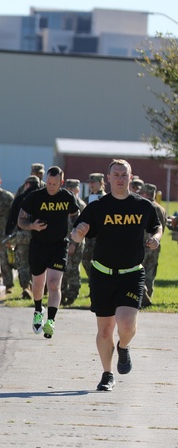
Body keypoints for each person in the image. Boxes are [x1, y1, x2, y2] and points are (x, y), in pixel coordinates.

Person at [70, 159, 161, 391]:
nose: (120, 178)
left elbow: (156, 226)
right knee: (104, 330)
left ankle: (123, 346)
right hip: (102, 274)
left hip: (131, 273)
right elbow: (77, 233)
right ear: (108, 179)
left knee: (127, 325)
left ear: (131, 178)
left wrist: (155, 239)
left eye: (124, 174)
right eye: (116, 175)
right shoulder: (98, 206)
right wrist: (78, 235)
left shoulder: (143, 206)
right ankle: (107, 374)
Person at [18, 166, 79, 339]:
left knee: (53, 284)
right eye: (49, 183)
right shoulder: (35, 197)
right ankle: (38, 310)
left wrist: (77, 230)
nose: (51, 187)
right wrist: (32, 226)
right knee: (38, 285)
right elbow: (21, 220)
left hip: (59, 246)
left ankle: (50, 321)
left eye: (55, 183)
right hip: (38, 246)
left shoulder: (67, 197)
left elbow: (75, 215)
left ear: (61, 181)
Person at [6, 175, 41, 300]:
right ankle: (38, 288)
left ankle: (26, 286)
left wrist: (8, 234)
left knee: (23, 263)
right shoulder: (41, 198)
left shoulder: (20, 198)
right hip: (37, 235)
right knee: (36, 263)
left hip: (22, 235)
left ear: (26, 184)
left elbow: (12, 218)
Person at [140, 182, 167, 307]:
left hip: (144, 244)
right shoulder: (161, 208)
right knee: (150, 272)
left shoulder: (144, 206)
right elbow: (163, 226)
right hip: (156, 245)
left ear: (145, 193)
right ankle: (148, 296)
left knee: (139, 272)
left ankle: (143, 298)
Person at [61, 178, 86, 306]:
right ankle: (62, 293)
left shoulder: (81, 205)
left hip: (76, 242)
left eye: (73, 188)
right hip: (63, 241)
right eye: (68, 188)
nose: (70, 191)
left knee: (73, 269)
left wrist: (74, 244)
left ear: (78, 189)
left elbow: (81, 227)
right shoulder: (63, 204)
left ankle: (72, 294)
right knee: (62, 269)